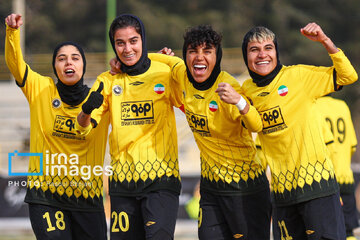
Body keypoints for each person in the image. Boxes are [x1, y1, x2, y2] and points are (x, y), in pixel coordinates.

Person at [220, 23, 358, 240]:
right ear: (246, 56)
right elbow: (253, 125)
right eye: (254, 50)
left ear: (276, 52)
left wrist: (325, 41)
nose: (262, 55)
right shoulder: (246, 90)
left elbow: (348, 76)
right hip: (282, 196)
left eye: (268, 48)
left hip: (317, 190)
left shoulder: (298, 76)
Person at [149, 25, 272, 240]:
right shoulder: (182, 74)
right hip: (211, 190)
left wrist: (239, 101)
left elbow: (256, 125)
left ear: (217, 56)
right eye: (193, 51)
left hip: (245, 189)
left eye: (207, 51)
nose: (199, 58)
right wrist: (120, 64)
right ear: (185, 55)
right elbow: (146, 59)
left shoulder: (229, 87)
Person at [76, 14, 183, 240]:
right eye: (120, 43)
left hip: (161, 180)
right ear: (113, 45)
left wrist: (157, 58)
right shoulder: (107, 80)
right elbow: (83, 127)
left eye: (133, 41)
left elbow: (191, 103)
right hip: (122, 184)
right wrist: (86, 110)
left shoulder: (164, 74)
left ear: (143, 40)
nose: (127, 49)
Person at [5, 14, 109, 240]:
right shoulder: (40, 89)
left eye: (75, 58)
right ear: (54, 66)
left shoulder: (100, 97)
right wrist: (12, 32)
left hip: (87, 198)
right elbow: (16, 65)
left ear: (83, 64)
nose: (68, 62)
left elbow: (84, 127)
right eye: (62, 58)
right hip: (46, 196)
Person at [317, 95, 359, 240]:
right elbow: (353, 145)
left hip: (323, 181)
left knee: (326, 232)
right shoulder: (342, 105)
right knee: (348, 231)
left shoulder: (311, 105)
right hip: (345, 176)